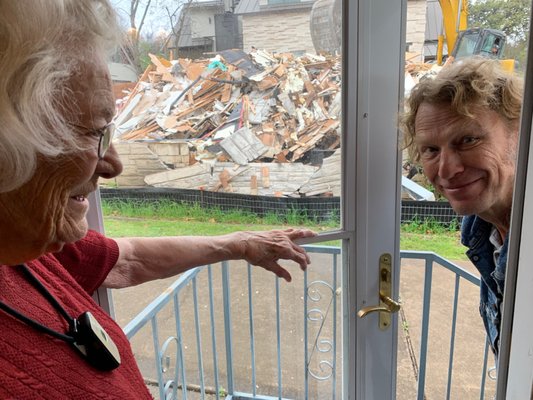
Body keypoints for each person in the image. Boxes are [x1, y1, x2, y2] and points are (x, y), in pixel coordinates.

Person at [0, 1, 315, 398]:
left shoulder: (25, 251)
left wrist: (239, 244)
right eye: (95, 131)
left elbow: (127, 259)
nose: (112, 164)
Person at [401, 57, 523, 358]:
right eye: (430, 149)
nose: (446, 169)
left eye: (468, 140)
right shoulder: (480, 227)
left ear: (519, 134)